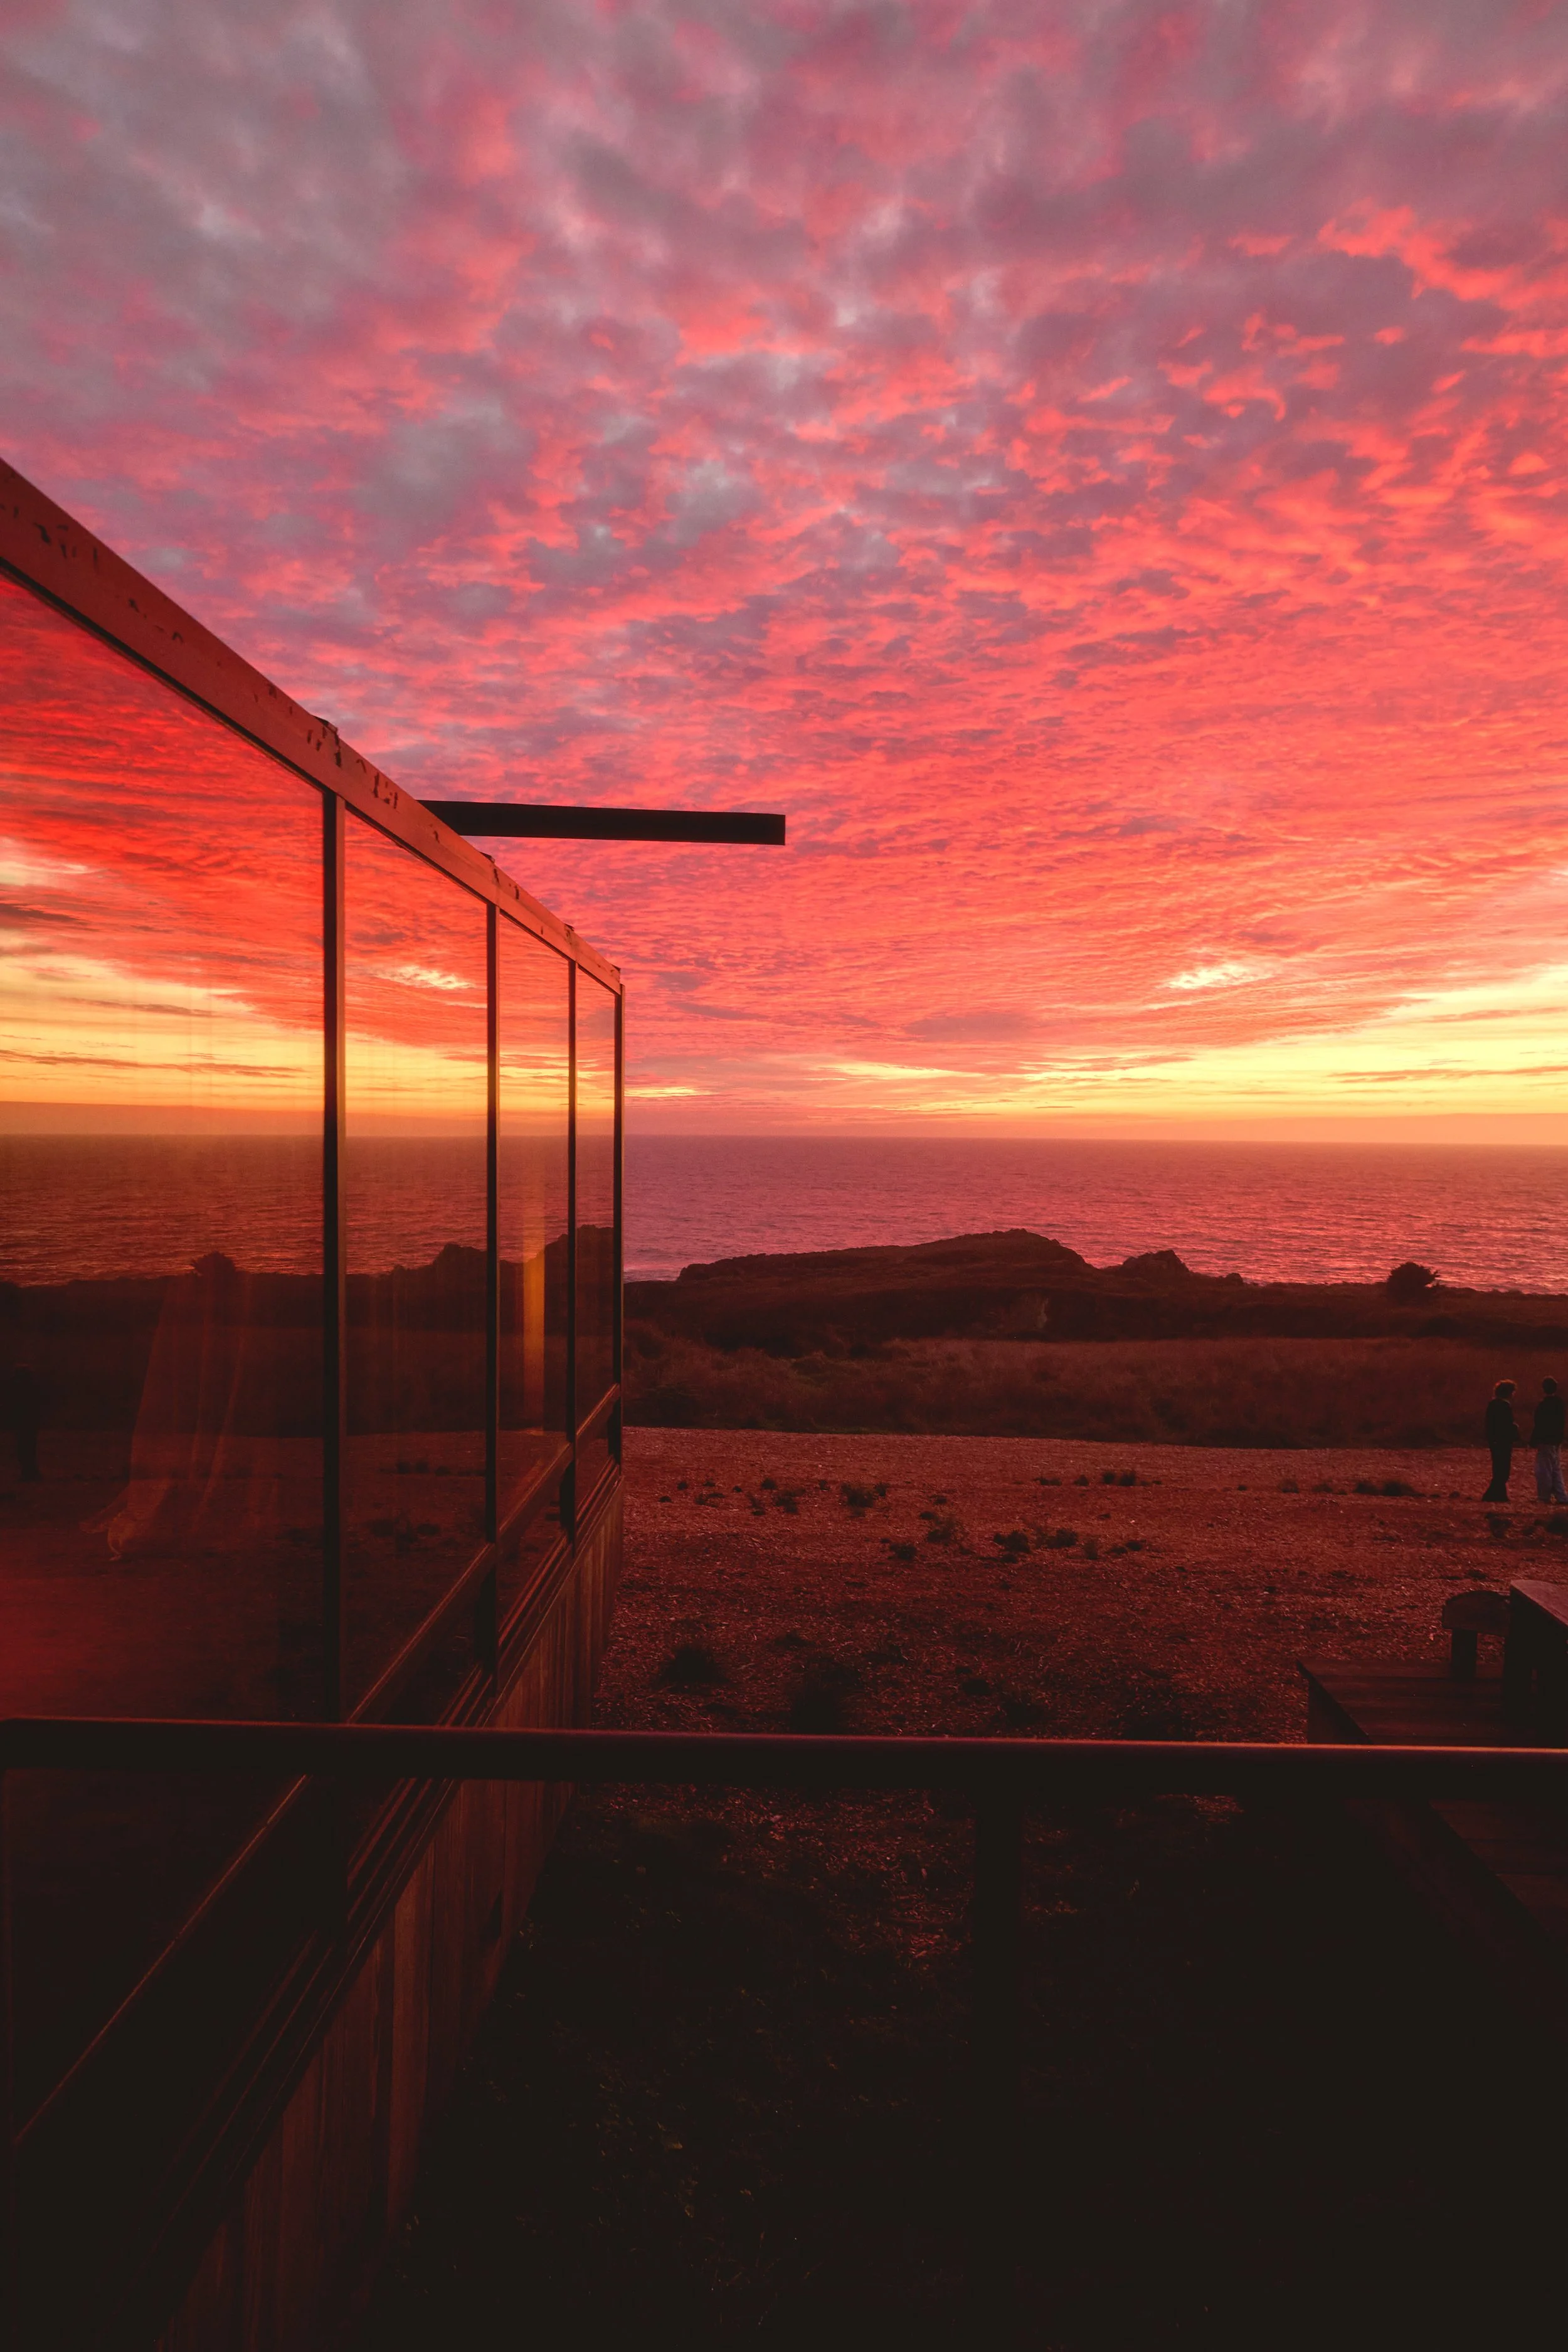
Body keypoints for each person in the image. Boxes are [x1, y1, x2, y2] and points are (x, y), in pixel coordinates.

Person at [1529, 1376, 1567, 1505]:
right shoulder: (1560, 1404)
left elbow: (1539, 1425)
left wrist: (1533, 1440)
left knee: (1544, 1469)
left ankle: (1544, 1496)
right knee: (1556, 1468)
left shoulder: (1543, 1405)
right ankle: (1561, 1496)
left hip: (1545, 1440)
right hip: (1556, 1440)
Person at [1483, 1379, 1519, 1503]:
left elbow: (1489, 1425)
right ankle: (1491, 1495)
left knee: (1498, 1467)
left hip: (1495, 1441)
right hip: (1504, 1442)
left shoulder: (1492, 1405)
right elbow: (1507, 1426)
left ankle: (1499, 1495)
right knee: (1503, 1469)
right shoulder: (1505, 1407)